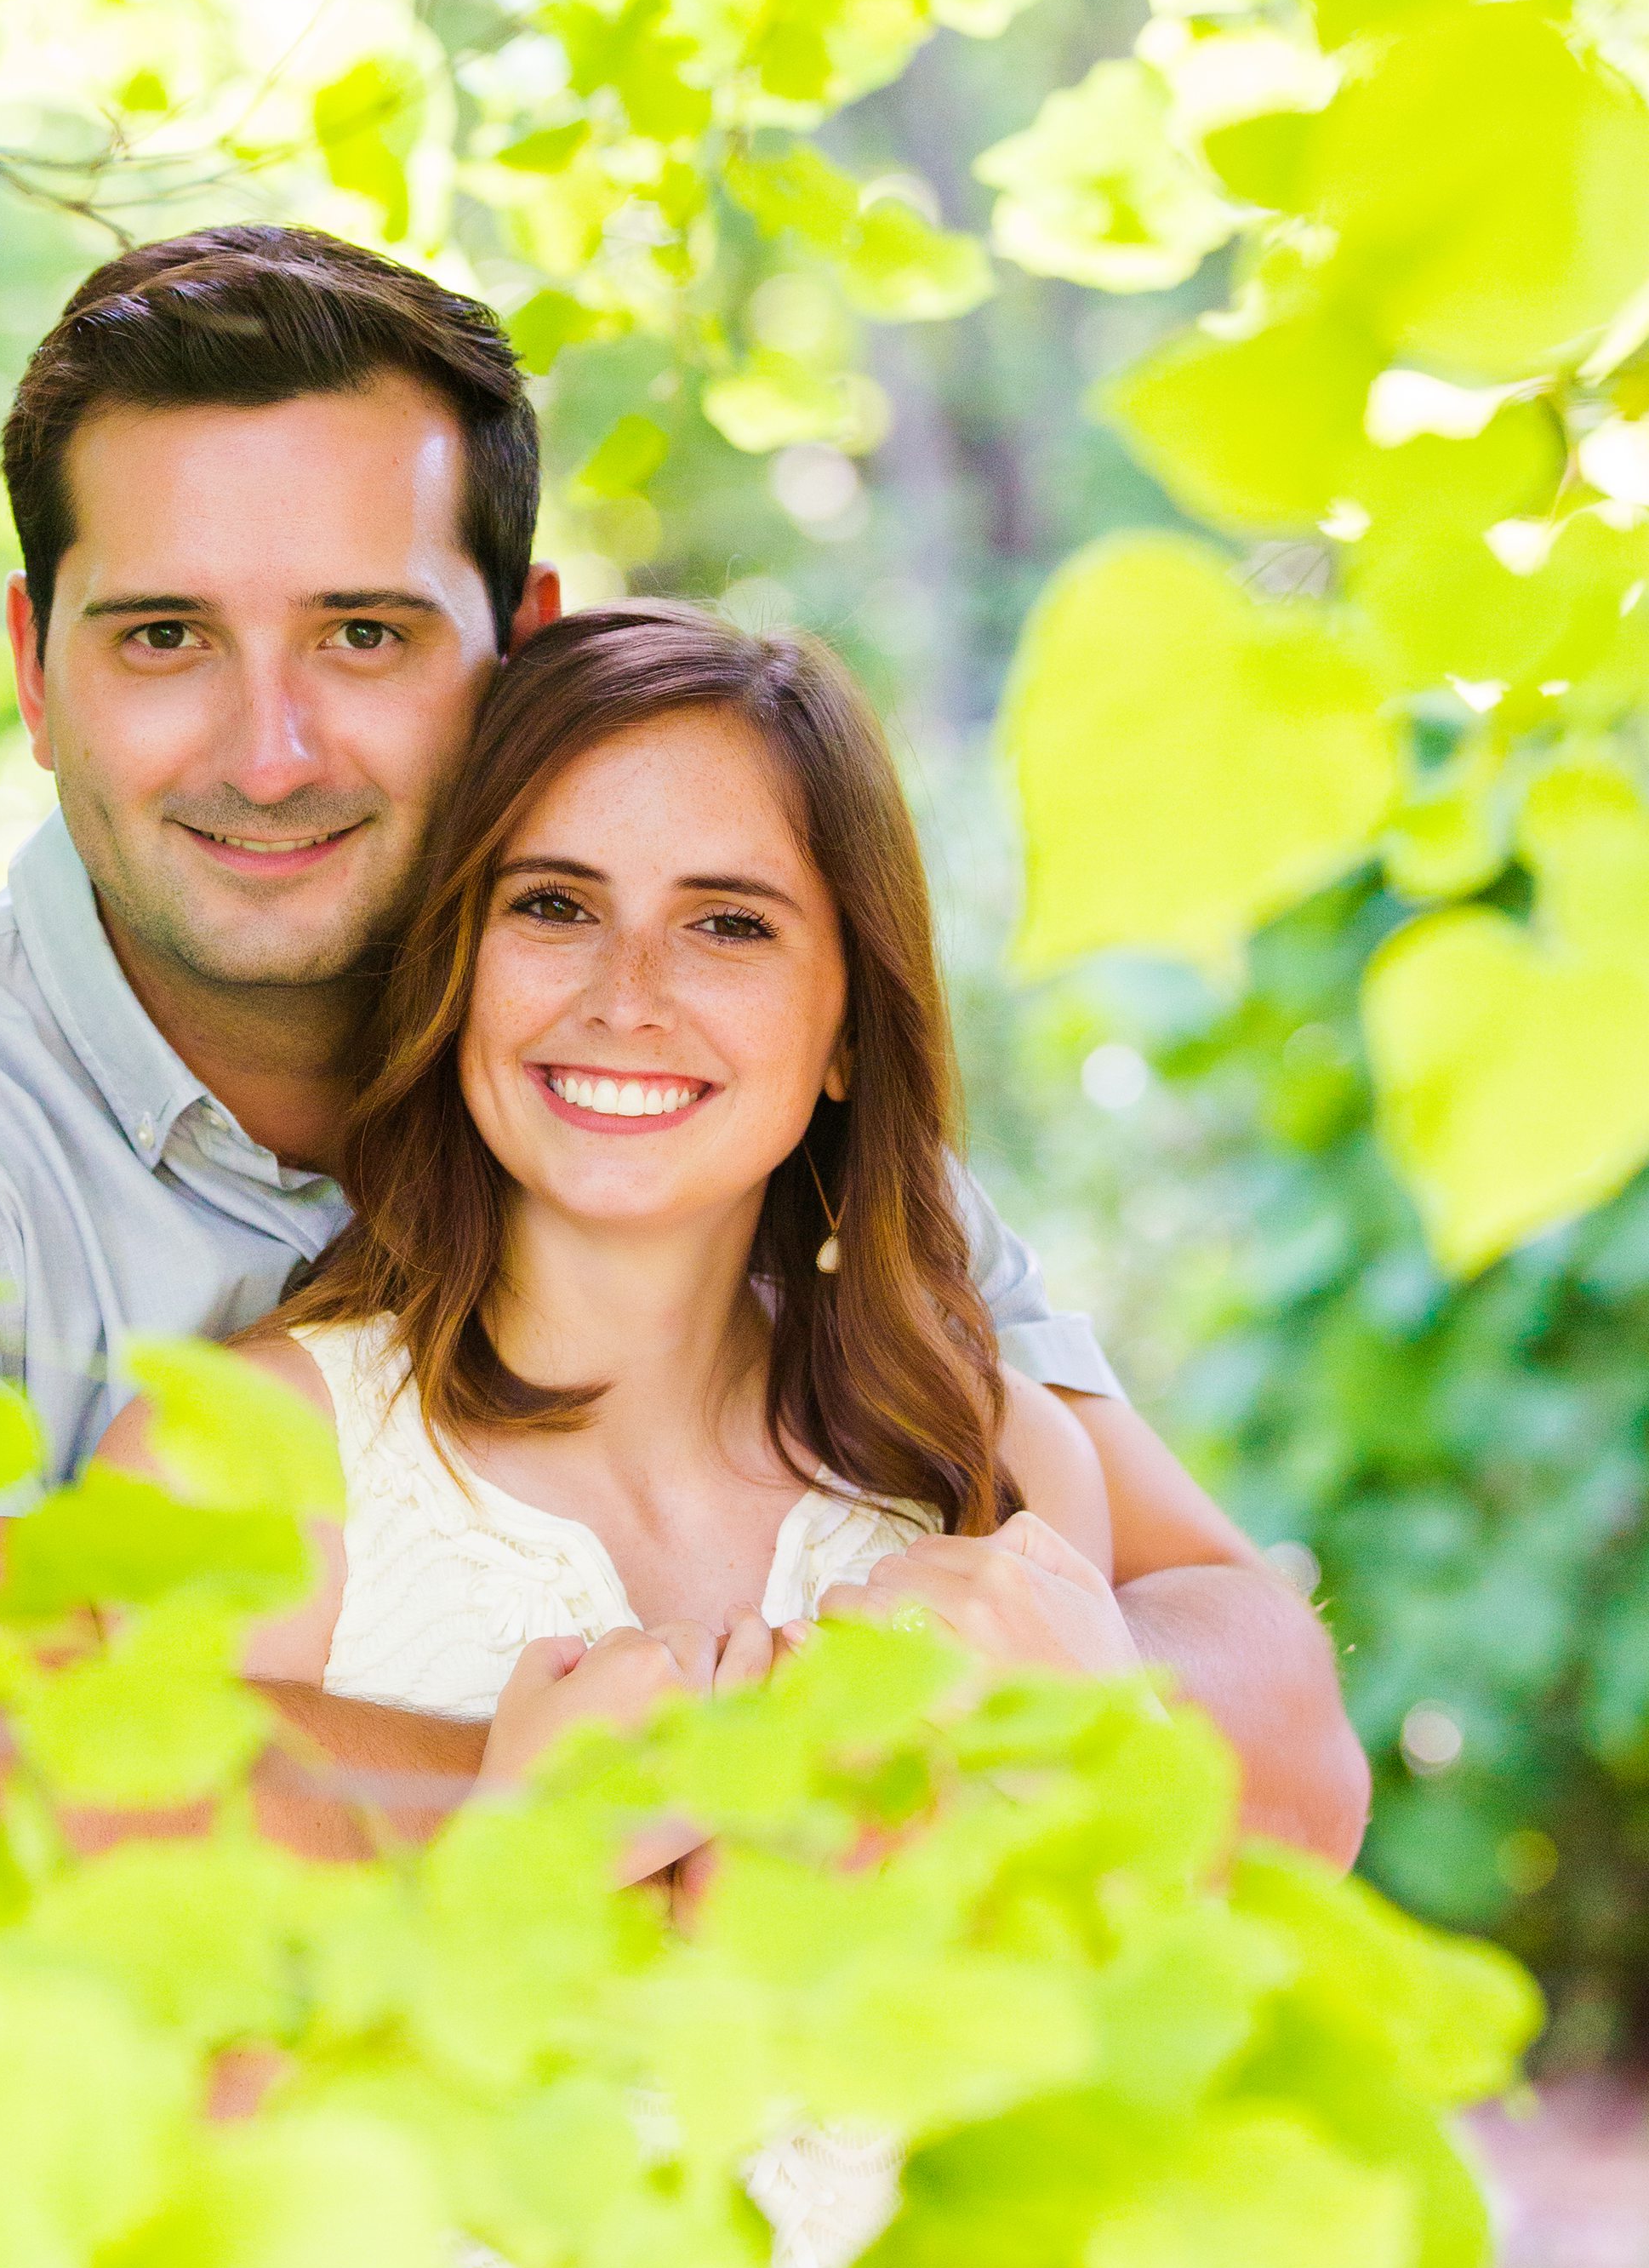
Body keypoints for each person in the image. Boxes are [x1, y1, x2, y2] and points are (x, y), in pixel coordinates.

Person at [0, 223, 1367, 1860]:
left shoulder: (728, 1113)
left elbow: (1268, 1709)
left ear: (520, 646)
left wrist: (1095, 1710)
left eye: (363, 634)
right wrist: (716, 1789)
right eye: (165, 638)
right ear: (33, 665)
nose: (273, 749)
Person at [101, 603, 1139, 1776]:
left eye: (729, 925)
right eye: (554, 906)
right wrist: (513, 1844)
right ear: (458, 966)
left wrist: (1115, 1744)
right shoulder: (226, 1470)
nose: (627, 998)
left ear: (850, 1029)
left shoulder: (1000, 1462)